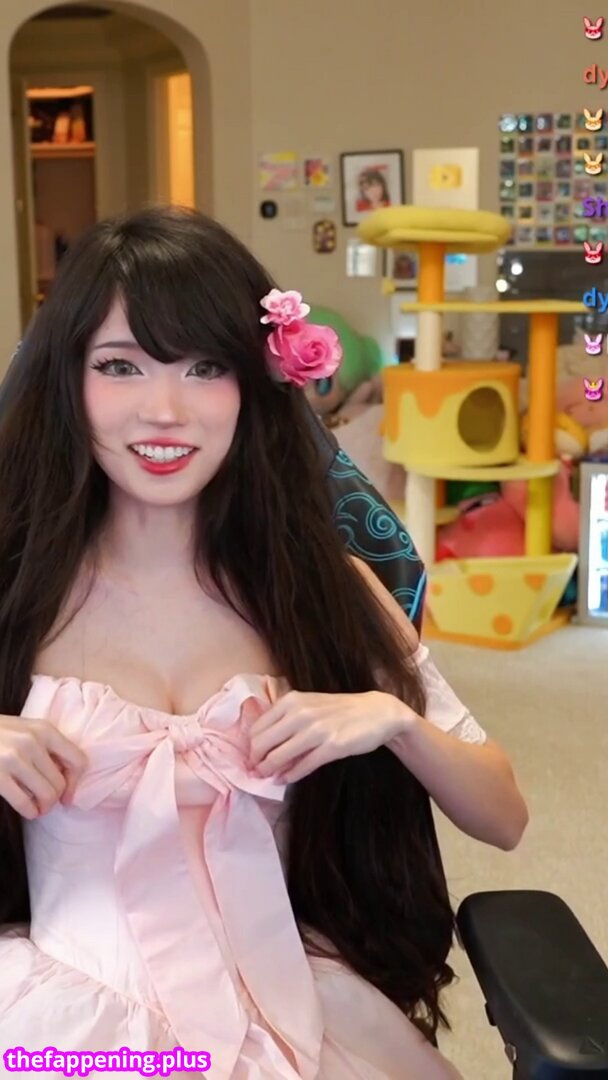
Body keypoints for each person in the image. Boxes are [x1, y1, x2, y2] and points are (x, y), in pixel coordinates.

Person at [0, 206, 528, 1079]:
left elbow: (503, 816)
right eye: (120, 366)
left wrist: (393, 720)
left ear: (254, 384)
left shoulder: (321, 587)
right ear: (69, 381)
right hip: (58, 1020)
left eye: (204, 367)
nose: (164, 411)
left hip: (285, 1012)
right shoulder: (16, 585)